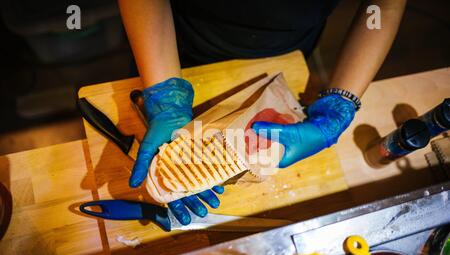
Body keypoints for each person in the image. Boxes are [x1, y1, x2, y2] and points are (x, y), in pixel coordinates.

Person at [118, 0, 406, 225]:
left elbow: (383, 5)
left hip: (285, 49)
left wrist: (343, 102)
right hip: (172, 44)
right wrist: (165, 96)